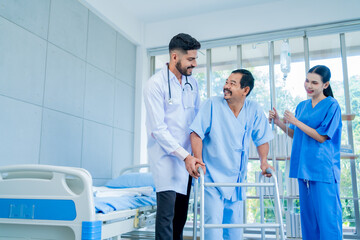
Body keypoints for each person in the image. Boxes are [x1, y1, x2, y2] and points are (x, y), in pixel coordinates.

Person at [190, 69, 274, 240]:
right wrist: (198, 160)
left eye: (232, 84)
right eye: (226, 82)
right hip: (212, 177)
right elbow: (196, 133)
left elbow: (262, 138)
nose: (226, 86)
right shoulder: (212, 104)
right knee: (213, 230)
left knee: (234, 231)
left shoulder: (254, 109)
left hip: (237, 181)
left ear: (245, 90)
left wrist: (264, 162)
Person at [269, 65, 342, 240]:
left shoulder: (332, 105)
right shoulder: (302, 106)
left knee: (328, 219)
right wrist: (280, 122)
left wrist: (295, 120)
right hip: (304, 168)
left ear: (325, 85)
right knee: (308, 220)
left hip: (323, 170)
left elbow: (322, 137)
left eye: (314, 82)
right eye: (307, 80)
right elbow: (296, 134)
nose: (308, 85)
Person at [143, 33, 205, 240]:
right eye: (191, 59)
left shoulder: (192, 84)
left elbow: (196, 122)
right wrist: (185, 156)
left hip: (187, 160)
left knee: (181, 217)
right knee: (166, 218)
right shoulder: (155, 84)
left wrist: (195, 157)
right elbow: (158, 129)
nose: (194, 64)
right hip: (165, 157)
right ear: (175, 57)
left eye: (195, 59)